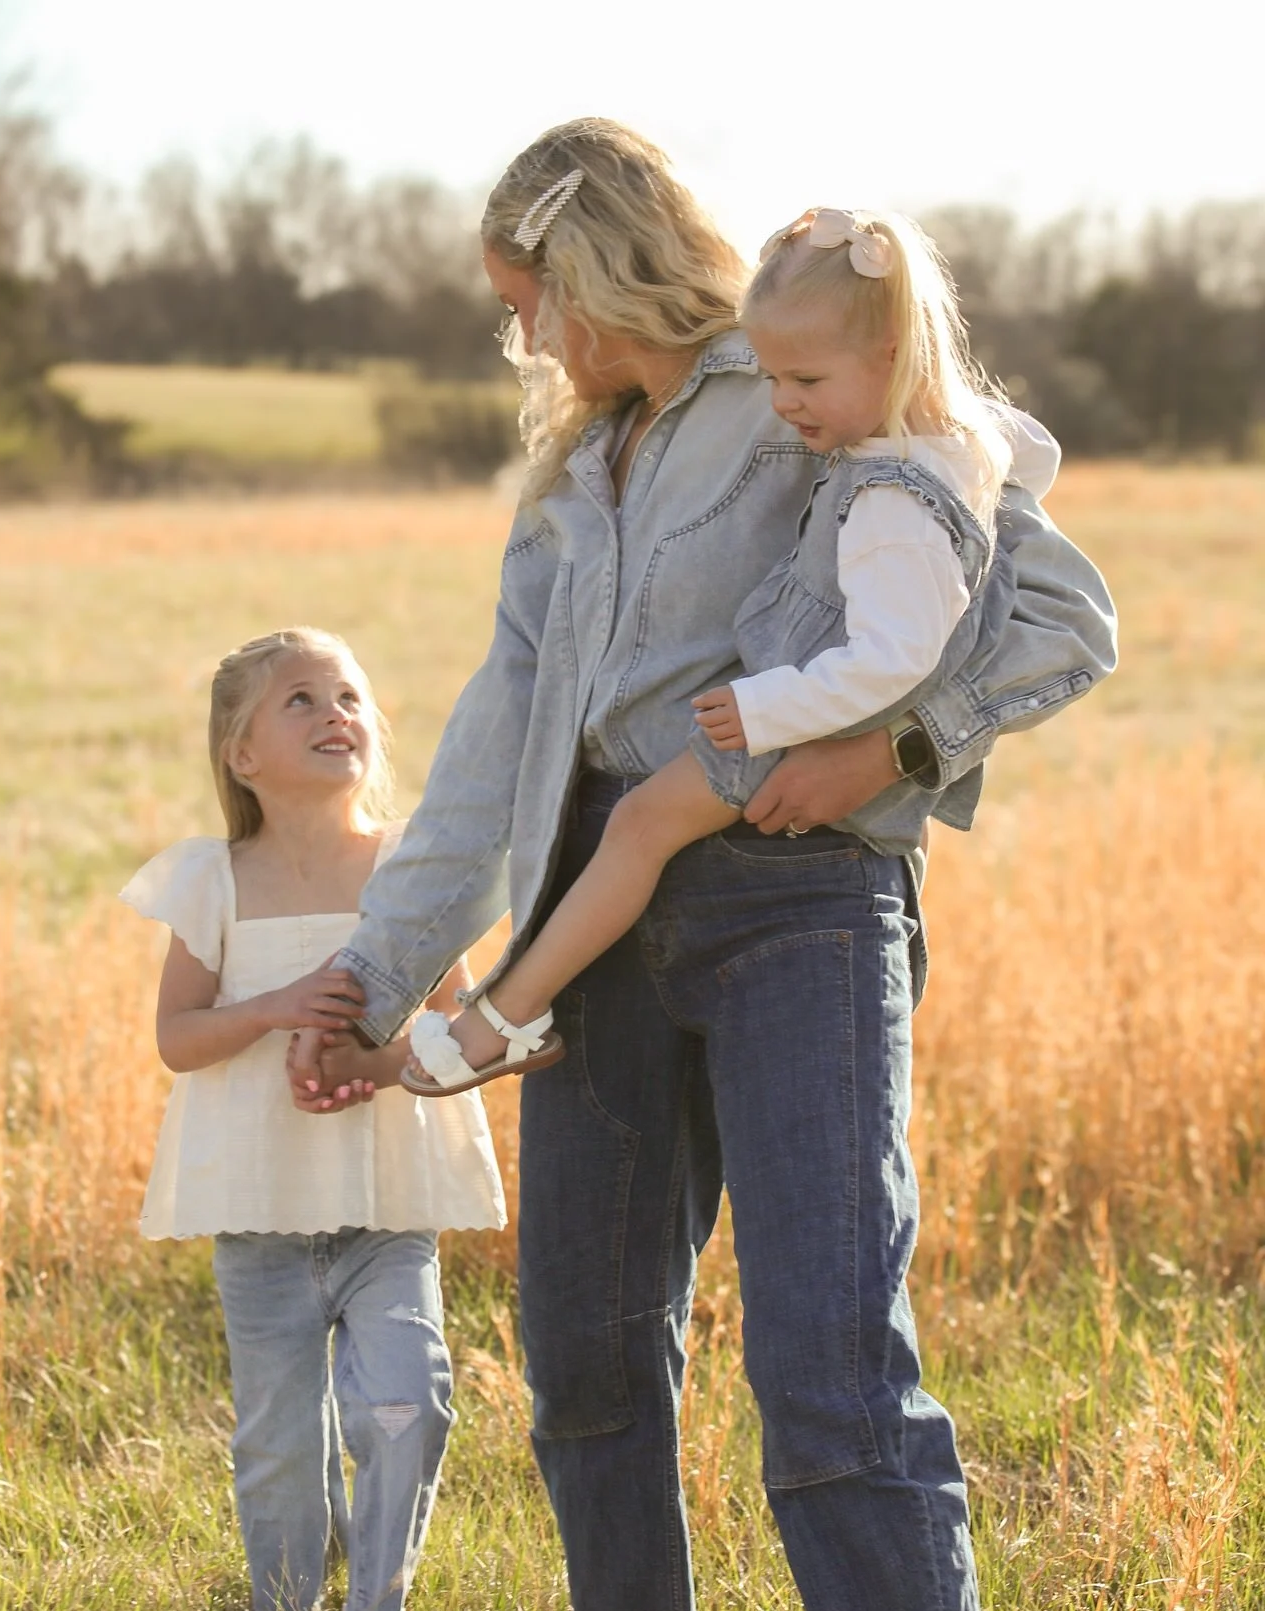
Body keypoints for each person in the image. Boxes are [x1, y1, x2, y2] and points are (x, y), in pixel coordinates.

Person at [289, 121, 1115, 1611]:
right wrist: (369, 978)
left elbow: (1057, 613)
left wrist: (885, 751)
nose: (527, 351)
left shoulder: (820, 383)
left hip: (796, 900)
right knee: (587, 1340)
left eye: (530, 311)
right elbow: (496, 754)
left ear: (593, 268)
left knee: (828, 1350)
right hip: (599, 912)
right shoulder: (573, 482)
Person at [394, 205, 1062, 1099]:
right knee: (636, 836)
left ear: (895, 356)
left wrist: (770, 711)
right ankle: (504, 1009)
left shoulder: (899, 494)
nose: (781, 403)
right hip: (796, 712)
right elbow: (1027, 450)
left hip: (793, 732)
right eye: (777, 377)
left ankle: (504, 1014)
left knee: (638, 828)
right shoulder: (933, 447)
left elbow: (892, 660)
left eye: (805, 379)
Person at [120, 627, 504, 1611]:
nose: (336, 712)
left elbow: (458, 1019)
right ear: (241, 754)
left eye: (349, 695)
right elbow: (180, 1038)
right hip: (263, 1211)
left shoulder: (408, 871)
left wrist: (376, 1064)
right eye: (301, 700)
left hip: (387, 1195)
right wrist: (278, 1009)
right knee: (282, 1445)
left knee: (408, 1404)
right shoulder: (216, 882)